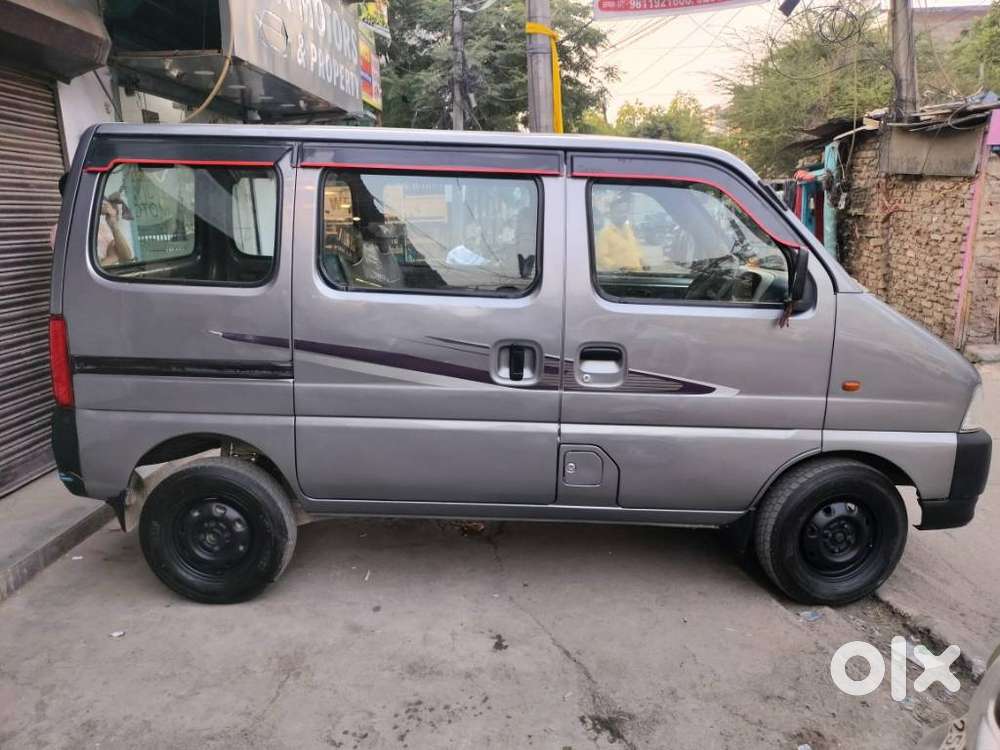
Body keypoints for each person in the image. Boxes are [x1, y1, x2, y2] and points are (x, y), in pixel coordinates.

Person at [596, 194, 644, 272]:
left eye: (625, 212)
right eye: (620, 212)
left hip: (637, 276)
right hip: (621, 279)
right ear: (611, 213)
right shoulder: (604, 234)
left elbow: (636, 251)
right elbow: (601, 258)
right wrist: (618, 269)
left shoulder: (629, 230)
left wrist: (643, 265)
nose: (624, 215)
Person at [95, 193, 135, 267]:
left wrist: (114, 226)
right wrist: (112, 258)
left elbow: (127, 258)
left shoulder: (111, 230)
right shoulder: (81, 231)